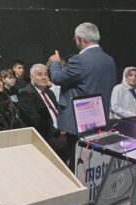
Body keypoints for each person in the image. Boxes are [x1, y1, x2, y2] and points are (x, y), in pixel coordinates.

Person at [48, 22, 116, 171]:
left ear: (80, 39)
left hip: (79, 121)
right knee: (91, 162)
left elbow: (57, 78)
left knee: (76, 162)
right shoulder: (109, 60)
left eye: (75, 39)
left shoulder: (80, 60)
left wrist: (55, 62)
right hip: (99, 119)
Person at [18, 64, 67, 162]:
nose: (44, 77)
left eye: (46, 74)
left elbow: (57, 112)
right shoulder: (26, 93)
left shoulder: (49, 92)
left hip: (60, 131)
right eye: (40, 74)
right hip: (44, 135)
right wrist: (58, 133)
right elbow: (35, 122)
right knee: (64, 146)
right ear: (32, 76)